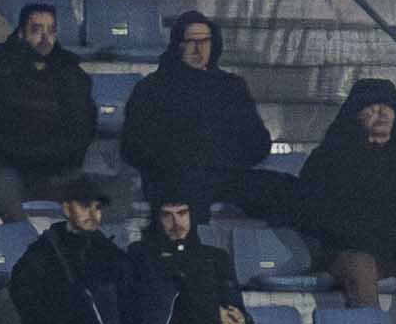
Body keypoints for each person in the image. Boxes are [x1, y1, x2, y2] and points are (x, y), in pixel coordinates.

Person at [290, 76, 396, 310]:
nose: (381, 114)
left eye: (387, 108)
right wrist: (367, 239)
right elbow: (316, 212)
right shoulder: (330, 156)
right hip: (353, 253)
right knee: (361, 268)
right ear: (357, 115)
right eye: (371, 109)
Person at [136, 196, 314, 324]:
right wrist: (214, 314)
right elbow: (158, 305)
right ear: (157, 219)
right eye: (167, 216)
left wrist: (240, 317)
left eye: (182, 213)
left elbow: (232, 298)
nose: (176, 223)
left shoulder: (216, 256)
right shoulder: (143, 254)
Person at [0, 0, 98, 218]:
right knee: (9, 206)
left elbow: (83, 126)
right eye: (37, 30)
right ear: (21, 33)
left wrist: (56, 156)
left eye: (51, 30)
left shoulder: (71, 73)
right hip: (7, 165)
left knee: (95, 203)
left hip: (57, 167)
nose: (45, 38)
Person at [120, 12, 280, 219]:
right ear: (179, 45)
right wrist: (179, 159)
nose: (198, 49)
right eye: (191, 42)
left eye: (204, 41)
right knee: (187, 199)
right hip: (172, 179)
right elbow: (132, 147)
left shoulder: (231, 87)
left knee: (281, 190)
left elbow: (258, 142)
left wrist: (221, 160)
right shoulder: (151, 88)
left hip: (225, 173)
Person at [11, 174, 169, 324]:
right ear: (66, 209)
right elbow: (28, 308)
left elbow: (132, 293)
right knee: (103, 294)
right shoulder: (42, 253)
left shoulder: (108, 251)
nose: (93, 215)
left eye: (98, 208)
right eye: (85, 207)